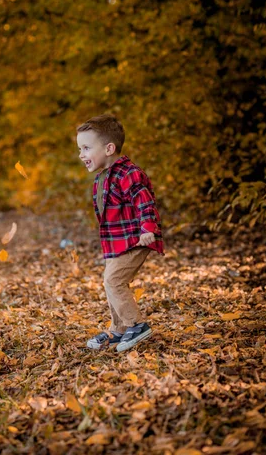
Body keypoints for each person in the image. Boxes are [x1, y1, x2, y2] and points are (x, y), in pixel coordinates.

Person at [77, 114, 164, 353]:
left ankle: (136, 324)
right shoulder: (102, 177)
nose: (81, 155)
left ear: (109, 148)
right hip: (117, 243)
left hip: (136, 239)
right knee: (110, 282)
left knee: (114, 280)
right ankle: (119, 329)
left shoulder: (129, 173)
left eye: (86, 148)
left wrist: (148, 229)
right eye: (79, 149)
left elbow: (144, 201)